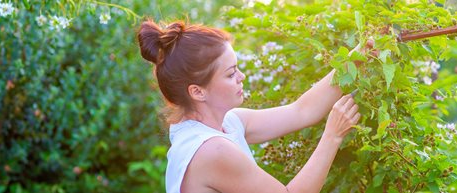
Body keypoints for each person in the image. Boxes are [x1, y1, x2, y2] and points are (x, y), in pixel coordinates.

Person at [137, 19, 360, 193]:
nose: (241, 77)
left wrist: (360, 57)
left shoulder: (229, 123)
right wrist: (333, 136)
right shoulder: (210, 150)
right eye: (231, 73)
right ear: (197, 91)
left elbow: (301, 111)